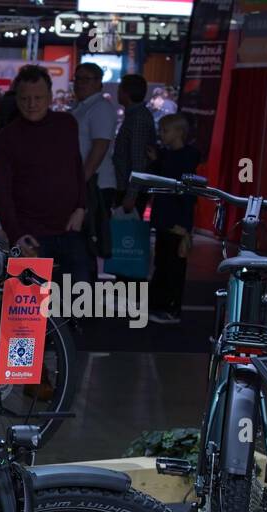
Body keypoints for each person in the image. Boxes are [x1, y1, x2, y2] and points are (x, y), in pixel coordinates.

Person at [0, 65, 91, 284]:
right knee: (27, 312)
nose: (31, 104)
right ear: (16, 98)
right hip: (29, 234)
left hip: (70, 228)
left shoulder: (67, 125)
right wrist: (15, 234)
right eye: (25, 98)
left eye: (38, 97)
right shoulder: (7, 137)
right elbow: (2, 191)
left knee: (78, 305)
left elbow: (77, 168)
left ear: (49, 97)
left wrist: (81, 208)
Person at [147, 114, 200, 325]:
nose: (161, 135)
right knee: (163, 262)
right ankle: (159, 304)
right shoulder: (169, 156)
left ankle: (171, 308)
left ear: (179, 132)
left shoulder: (186, 158)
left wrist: (186, 226)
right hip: (164, 218)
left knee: (173, 265)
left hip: (176, 220)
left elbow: (187, 194)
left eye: (165, 131)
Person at [71, 62, 117, 263]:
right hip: (86, 181)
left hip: (96, 184)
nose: (80, 83)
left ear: (99, 83)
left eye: (86, 79)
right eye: (78, 78)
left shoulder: (100, 108)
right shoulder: (82, 107)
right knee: (80, 240)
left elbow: (100, 147)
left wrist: (81, 181)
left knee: (88, 240)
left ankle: (85, 287)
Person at [112, 73, 155, 215]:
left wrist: (131, 195)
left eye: (119, 89)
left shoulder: (138, 118)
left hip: (130, 189)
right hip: (128, 187)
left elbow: (139, 161)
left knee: (126, 234)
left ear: (126, 93)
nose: (117, 92)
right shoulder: (135, 115)